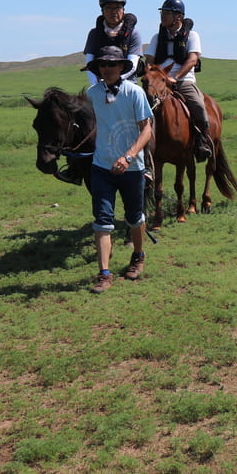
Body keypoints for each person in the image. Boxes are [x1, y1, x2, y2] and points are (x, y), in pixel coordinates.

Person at [85, 46, 154, 293]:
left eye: (112, 65)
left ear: (122, 68)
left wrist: (128, 156)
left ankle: (138, 256)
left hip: (132, 167)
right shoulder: (92, 94)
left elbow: (147, 129)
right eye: (103, 65)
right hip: (101, 166)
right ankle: (104, 273)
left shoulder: (135, 93)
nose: (107, 69)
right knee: (102, 221)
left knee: (135, 218)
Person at [144, 0, 212, 162]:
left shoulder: (192, 36)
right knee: (139, 103)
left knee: (198, 104)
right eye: (163, 13)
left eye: (167, 13)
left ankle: (202, 141)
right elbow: (149, 60)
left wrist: (175, 77)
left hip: (183, 80)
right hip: (159, 81)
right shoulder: (156, 37)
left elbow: (192, 60)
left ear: (179, 17)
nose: (163, 16)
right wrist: (150, 74)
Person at [82, 0, 142, 87]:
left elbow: (133, 65)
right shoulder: (94, 33)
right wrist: (96, 85)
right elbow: (89, 62)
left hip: (128, 84)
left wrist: (114, 81)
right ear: (102, 11)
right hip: (100, 84)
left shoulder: (134, 34)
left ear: (123, 10)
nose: (113, 11)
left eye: (117, 7)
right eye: (108, 8)